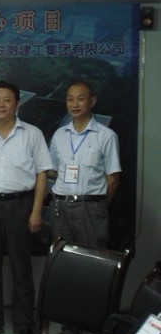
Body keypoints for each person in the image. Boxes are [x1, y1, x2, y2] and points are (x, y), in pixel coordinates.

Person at [0, 80, 53, 334]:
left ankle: (24, 323)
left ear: (17, 103)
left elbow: (42, 174)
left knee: (21, 266)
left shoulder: (32, 134)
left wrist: (36, 211)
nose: (1, 105)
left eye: (7, 100)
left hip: (20, 205)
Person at [49, 81, 122, 248]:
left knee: (91, 256)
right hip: (60, 207)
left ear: (92, 101)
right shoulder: (59, 134)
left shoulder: (106, 136)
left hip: (90, 207)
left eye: (80, 99)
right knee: (61, 256)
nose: (75, 104)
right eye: (70, 99)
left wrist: (97, 205)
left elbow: (113, 179)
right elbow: (54, 171)